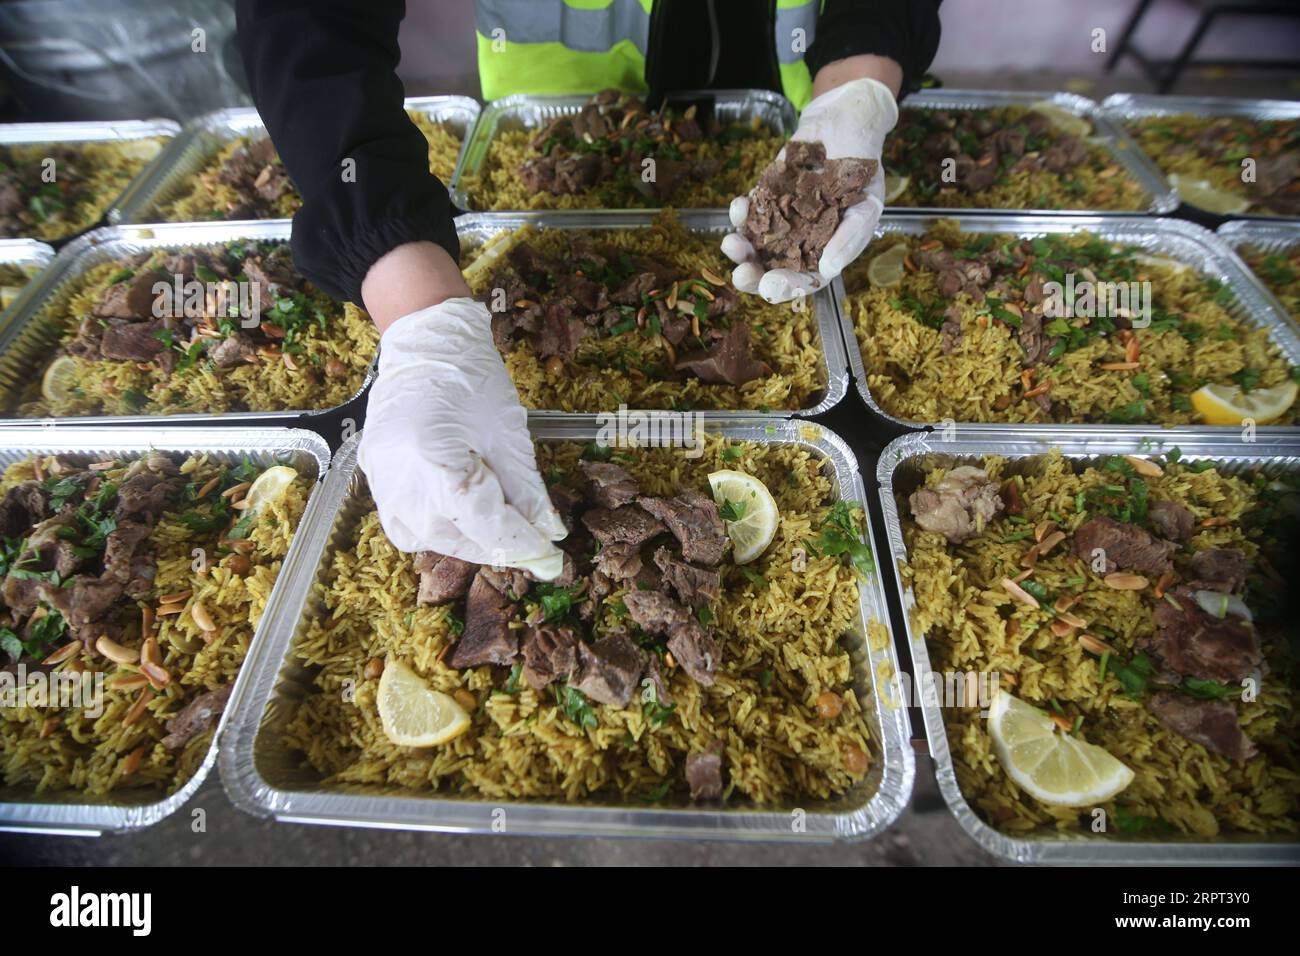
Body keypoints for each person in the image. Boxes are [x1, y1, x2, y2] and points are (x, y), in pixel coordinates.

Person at [235, 0, 941, 578]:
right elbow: (307, 23)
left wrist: (858, 85)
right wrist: (415, 306)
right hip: (555, 113)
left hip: (782, 108)